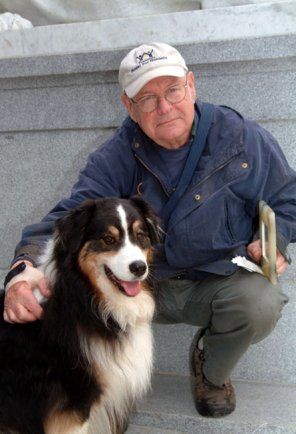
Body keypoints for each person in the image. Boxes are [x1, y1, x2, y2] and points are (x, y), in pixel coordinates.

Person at [3, 42, 295, 418]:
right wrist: (22, 269)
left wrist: (276, 240)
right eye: (147, 98)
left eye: (173, 90)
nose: (164, 106)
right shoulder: (116, 155)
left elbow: (289, 198)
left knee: (261, 303)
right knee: (60, 289)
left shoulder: (241, 138)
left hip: (218, 279)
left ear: (191, 85)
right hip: (143, 283)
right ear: (129, 107)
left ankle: (211, 371)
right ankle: (79, 392)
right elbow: (68, 217)